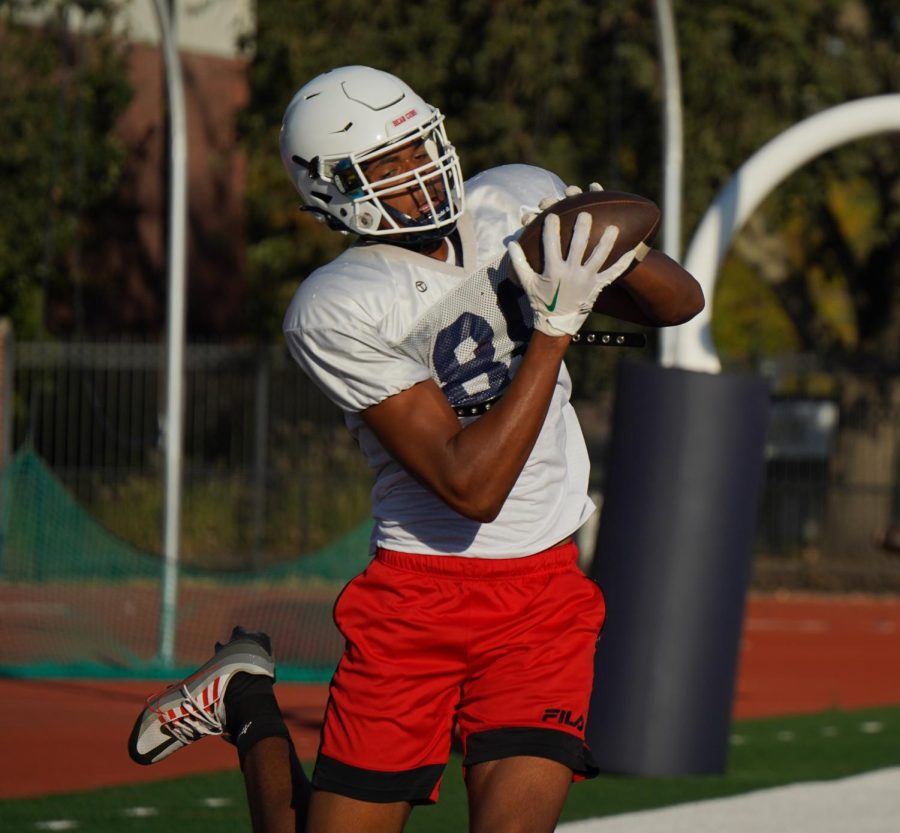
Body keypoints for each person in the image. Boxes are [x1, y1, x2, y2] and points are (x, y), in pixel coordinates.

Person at [129, 65, 704, 833]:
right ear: (330, 190)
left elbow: (680, 302)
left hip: (542, 591)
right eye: (387, 165)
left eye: (418, 146)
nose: (419, 172)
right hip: (420, 596)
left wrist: (608, 246)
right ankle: (246, 700)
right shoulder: (337, 305)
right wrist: (553, 333)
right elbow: (472, 487)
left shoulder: (512, 199)